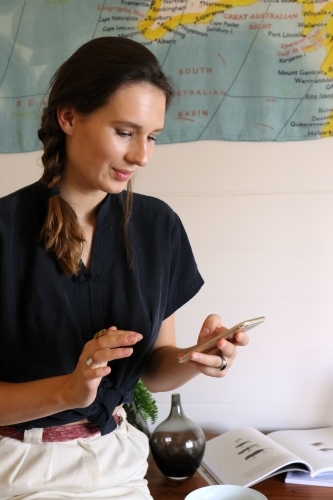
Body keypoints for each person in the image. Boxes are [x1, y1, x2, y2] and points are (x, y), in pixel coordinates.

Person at [0, 37, 249, 500]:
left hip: (118, 462)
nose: (142, 156)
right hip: (20, 470)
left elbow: (154, 370)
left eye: (151, 136)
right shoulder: (5, 231)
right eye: (124, 132)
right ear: (69, 117)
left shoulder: (158, 228)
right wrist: (68, 391)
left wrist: (197, 357)